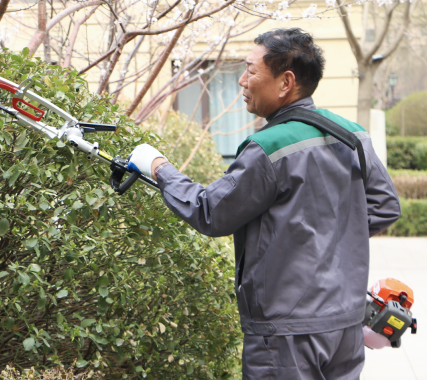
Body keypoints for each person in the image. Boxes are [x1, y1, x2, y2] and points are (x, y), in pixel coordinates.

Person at [128, 28, 400, 379]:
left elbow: (210, 212)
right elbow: (386, 206)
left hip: (284, 334)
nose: (242, 80)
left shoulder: (269, 148)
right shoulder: (353, 134)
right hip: (345, 327)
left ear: (285, 82)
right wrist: (327, 245)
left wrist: (158, 167)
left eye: (251, 70)